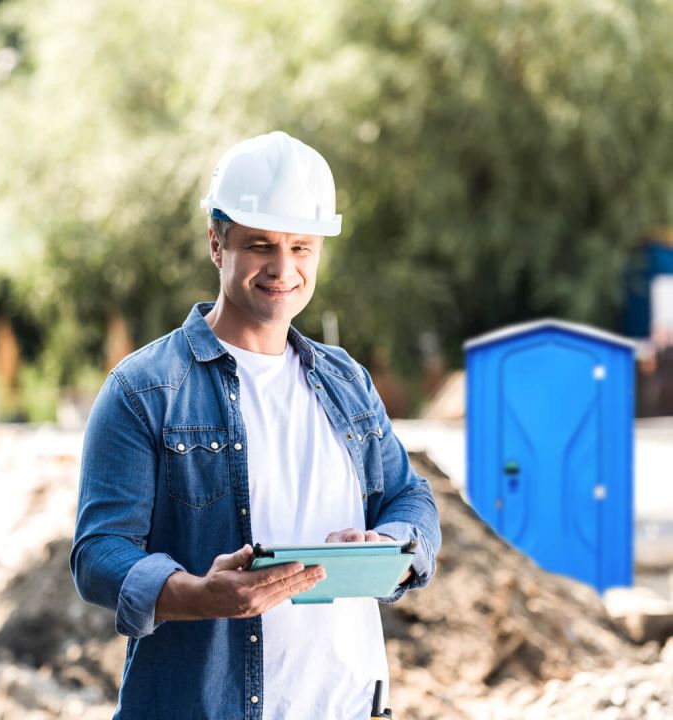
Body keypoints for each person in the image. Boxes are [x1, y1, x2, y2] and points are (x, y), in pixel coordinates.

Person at [71, 131, 441, 719]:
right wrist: (196, 596)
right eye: (261, 245)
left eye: (301, 247)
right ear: (217, 243)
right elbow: (98, 554)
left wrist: (393, 542)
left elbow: (409, 496)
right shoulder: (144, 390)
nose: (283, 268)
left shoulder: (346, 381)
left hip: (348, 705)